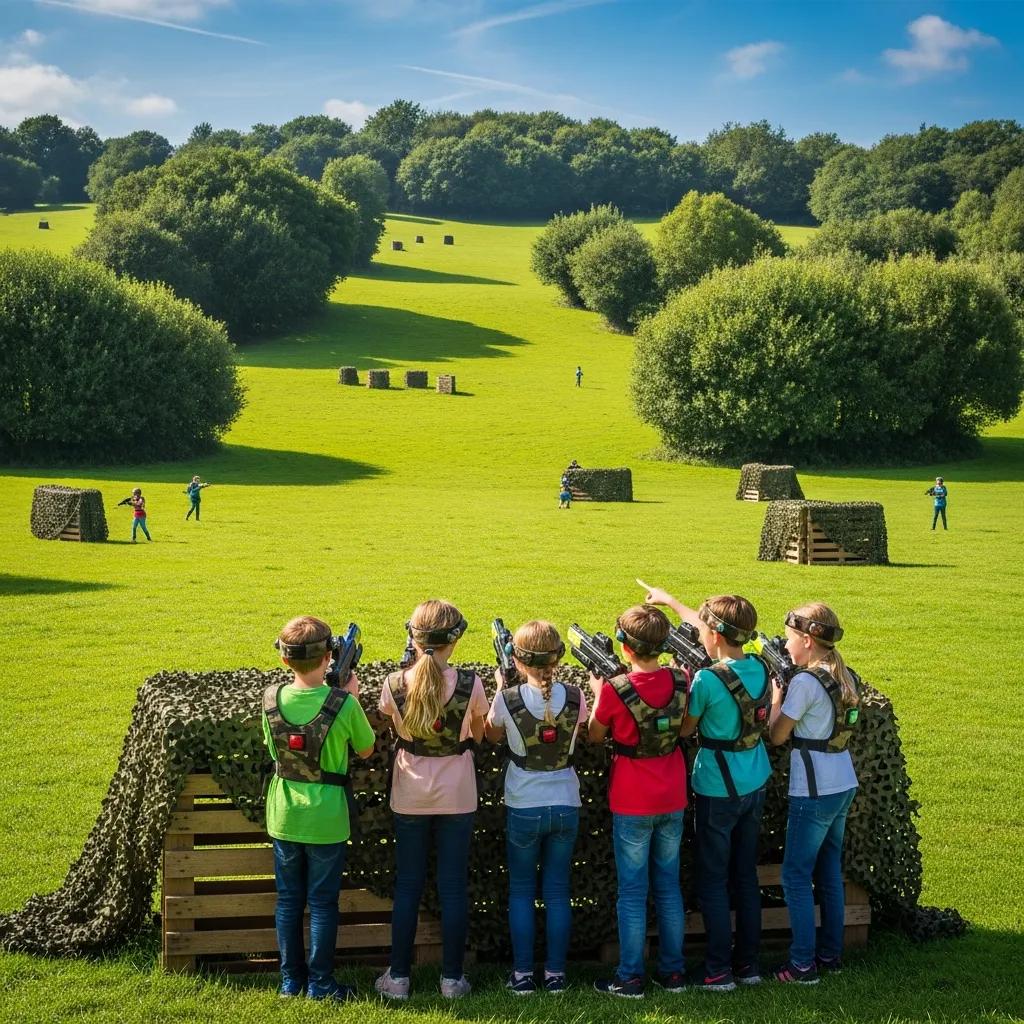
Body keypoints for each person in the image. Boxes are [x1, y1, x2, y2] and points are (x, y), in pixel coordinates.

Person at [642, 583, 770, 992]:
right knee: (745, 876)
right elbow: (708, 626)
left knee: (713, 879)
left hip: (718, 786)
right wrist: (670, 601)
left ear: (715, 635)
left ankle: (718, 970)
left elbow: (686, 729)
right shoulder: (761, 666)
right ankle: (748, 965)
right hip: (755, 780)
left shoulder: (707, 680)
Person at [375, 601, 488, 1001]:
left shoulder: (393, 683)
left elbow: (393, 725)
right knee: (453, 887)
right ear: (453, 640)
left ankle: (399, 978)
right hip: (457, 793)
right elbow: (478, 731)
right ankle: (452, 980)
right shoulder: (470, 683)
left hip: (409, 794)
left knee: (407, 886)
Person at [262, 615, 376, 1000]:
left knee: (289, 900)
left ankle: (290, 981)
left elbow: (273, 750)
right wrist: (353, 698)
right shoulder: (342, 703)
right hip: (326, 819)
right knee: (323, 903)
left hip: (283, 815)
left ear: (284, 660)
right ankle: (322, 983)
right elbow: (366, 748)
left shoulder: (270, 699)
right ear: (330, 657)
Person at [589, 604, 688, 998]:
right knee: (668, 887)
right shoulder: (682, 679)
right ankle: (674, 972)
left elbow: (596, 735)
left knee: (632, 892)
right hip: (673, 795)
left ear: (625, 648)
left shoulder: (615, 689)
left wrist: (599, 693)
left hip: (632, 800)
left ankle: (630, 976)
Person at [486, 621, 586, 995]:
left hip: (524, 803)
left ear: (517, 660)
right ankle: (557, 974)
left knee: (522, 891)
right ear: (558, 658)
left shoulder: (507, 698)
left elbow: (491, 734)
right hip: (565, 801)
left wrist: (501, 687)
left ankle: (524, 974)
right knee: (559, 891)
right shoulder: (576, 696)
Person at [768, 603, 860, 985]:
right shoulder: (845, 674)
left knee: (795, 875)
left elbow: (777, 735)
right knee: (828, 873)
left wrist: (776, 696)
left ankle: (802, 965)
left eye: (790, 639)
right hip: (843, 783)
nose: (787, 646)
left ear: (807, 640)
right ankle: (829, 955)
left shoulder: (805, 684)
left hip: (815, 790)